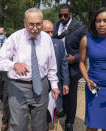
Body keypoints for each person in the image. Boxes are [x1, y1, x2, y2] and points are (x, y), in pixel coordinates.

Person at [0, 8, 60, 131]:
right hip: (18, 87)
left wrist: (54, 85)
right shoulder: (15, 38)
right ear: (25, 23)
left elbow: (52, 65)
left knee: (40, 126)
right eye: (31, 24)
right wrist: (13, 65)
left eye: (38, 24)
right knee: (18, 125)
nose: (35, 28)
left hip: (41, 86)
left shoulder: (46, 39)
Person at [53, 3, 87, 131]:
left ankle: (70, 121)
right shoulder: (55, 26)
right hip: (59, 68)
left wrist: (75, 58)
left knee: (71, 95)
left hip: (72, 68)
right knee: (62, 91)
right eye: (60, 15)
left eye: (65, 15)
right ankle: (65, 110)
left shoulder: (80, 28)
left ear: (70, 14)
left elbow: (85, 49)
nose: (62, 17)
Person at [79, 7, 106, 131]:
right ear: (94, 22)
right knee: (92, 123)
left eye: (105, 21)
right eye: (98, 21)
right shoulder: (86, 39)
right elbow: (81, 62)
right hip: (94, 86)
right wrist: (87, 79)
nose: (101, 24)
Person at [42, 20, 69, 118]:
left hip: (56, 83)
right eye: (46, 32)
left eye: (51, 32)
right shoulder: (32, 46)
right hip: (40, 84)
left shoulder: (59, 44)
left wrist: (66, 83)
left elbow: (64, 64)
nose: (50, 35)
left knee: (54, 109)